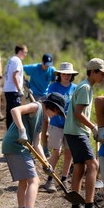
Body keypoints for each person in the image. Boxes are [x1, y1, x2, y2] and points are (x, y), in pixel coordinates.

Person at [1, 92, 66, 208]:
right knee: (34, 181)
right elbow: (15, 110)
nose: (57, 115)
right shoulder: (36, 106)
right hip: (16, 145)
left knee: (24, 182)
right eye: (58, 112)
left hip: (16, 147)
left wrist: (45, 162)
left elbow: (36, 143)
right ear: (52, 107)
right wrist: (22, 130)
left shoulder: (42, 119)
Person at [64, 58, 104, 208]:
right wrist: (93, 127)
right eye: (101, 74)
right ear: (93, 72)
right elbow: (78, 114)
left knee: (79, 167)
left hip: (73, 131)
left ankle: (75, 207)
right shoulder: (85, 88)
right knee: (93, 166)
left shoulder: (85, 86)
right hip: (77, 132)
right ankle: (89, 207)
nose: (103, 77)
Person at [43, 62, 78, 193]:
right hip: (56, 124)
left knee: (69, 153)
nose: (67, 76)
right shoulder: (53, 87)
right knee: (56, 152)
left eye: (69, 74)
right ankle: (50, 179)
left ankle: (64, 179)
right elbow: (47, 103)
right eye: (64, 74)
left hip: (70, 125)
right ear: (60, 74)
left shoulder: (75, 88)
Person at [24, 53, 57, 154]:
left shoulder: (51, 70)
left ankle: (45, 147)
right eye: (46, 64)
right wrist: (25, 83)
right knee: (35, 120)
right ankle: (31, 146)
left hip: (45, 96)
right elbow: (20, 69)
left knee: (45, 121)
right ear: (42, 62)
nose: (47, 66)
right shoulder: (34, 68)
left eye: (49, 64)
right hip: (34, 95)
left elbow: (54, 80)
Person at [4, 44, 28, 129]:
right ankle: (12, 132)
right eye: (25, 52)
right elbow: (14, 75)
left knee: (10, 111)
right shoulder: (17, 60)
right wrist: (19, 89)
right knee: (15, 112)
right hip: (13, 90)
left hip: (8, 89)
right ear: (20, 51)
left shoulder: (11, 59)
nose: (25, 55)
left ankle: (9, 131)